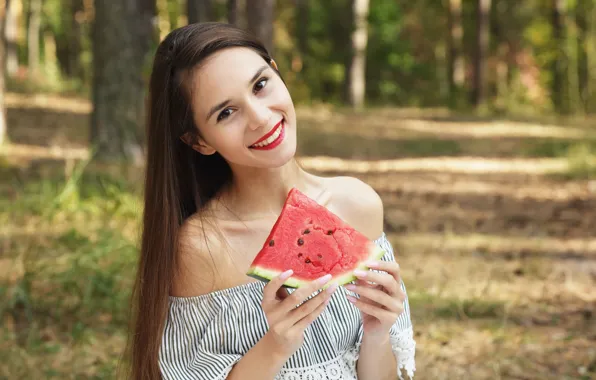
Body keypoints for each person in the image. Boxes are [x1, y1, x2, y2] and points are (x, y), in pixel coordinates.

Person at [127, 22, 416, 380]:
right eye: (226, 113)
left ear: (277, 73)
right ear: (199, 141)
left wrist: (377, 334)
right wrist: (275, 344)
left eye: (260, 85)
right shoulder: (202, 247)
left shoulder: (359, 205)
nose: (261, 118)